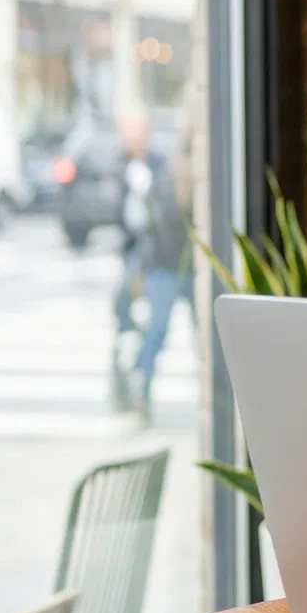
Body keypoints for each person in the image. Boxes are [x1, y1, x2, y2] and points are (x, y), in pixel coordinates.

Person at [110, 112, 189, 423]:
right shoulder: (121, 167)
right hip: (150, 256)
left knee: (201, 330)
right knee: (152, 325)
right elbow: (122, 215)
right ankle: (139, 381)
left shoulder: (163, 166)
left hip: (178, 258)